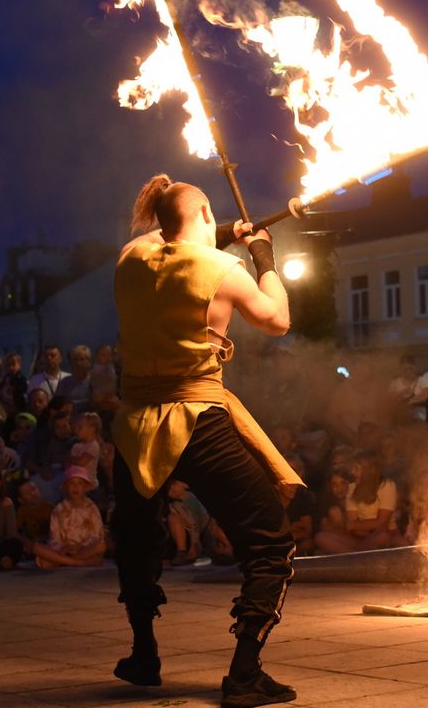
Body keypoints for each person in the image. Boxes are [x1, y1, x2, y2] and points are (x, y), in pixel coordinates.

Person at [109, 174, 301, 705]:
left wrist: (219, 229)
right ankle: (244, 674)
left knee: (136, 540)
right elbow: (277, 319)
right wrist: (262, 253)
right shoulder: (223, 270)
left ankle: (143, 656)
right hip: (196, 419)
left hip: (133, 425)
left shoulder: (129, 259)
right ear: (202, 213)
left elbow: (163, 242)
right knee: (271, 541)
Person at [313, 449, 397, 553]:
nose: (352, 472)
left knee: (382, 537)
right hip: (360, 537)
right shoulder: (352, 488)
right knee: (320, 537)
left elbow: (382, 524)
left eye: (356, 469)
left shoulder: (387, 486)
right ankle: (358, 558)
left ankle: (354, 558)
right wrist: (360, 529)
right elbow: (351, 526)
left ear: (368, 470)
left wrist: (356, 526)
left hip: (382, 535)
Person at [34, 465, 107, 569]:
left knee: (101, 546)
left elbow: (96, 535)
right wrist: (64, 548)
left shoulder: (92, 508)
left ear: (85, 488)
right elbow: (54, 537)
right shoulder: (59, 509)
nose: (76, 487)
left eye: (80, 484)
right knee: (37, 548)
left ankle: (64, 561)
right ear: (66, 487)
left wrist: (79, 547)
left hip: (83, 550)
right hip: (64, 550)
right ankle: (77, 563)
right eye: (72, 483)